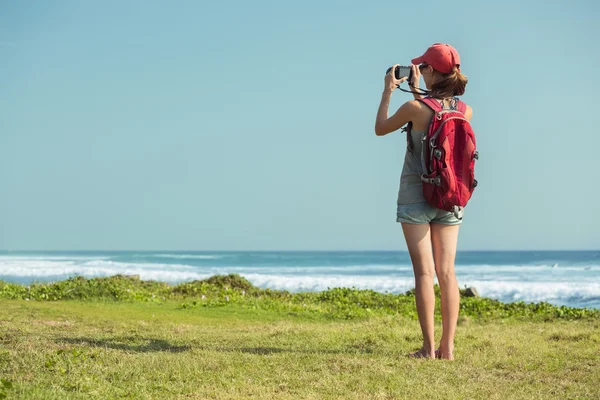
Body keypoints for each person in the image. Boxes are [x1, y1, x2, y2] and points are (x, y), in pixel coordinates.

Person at [374, 43, 472, 360]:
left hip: (417, 193)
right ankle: (448, 349)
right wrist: (419, 92)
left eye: (422, 67)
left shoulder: (414, 109)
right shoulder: (464, 110)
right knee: (447, 273)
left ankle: (428, 349)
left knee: (423, 274)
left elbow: (380, 128)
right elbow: (436, 115)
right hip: (451, 194)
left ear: (429, 71)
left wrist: (390, 91)